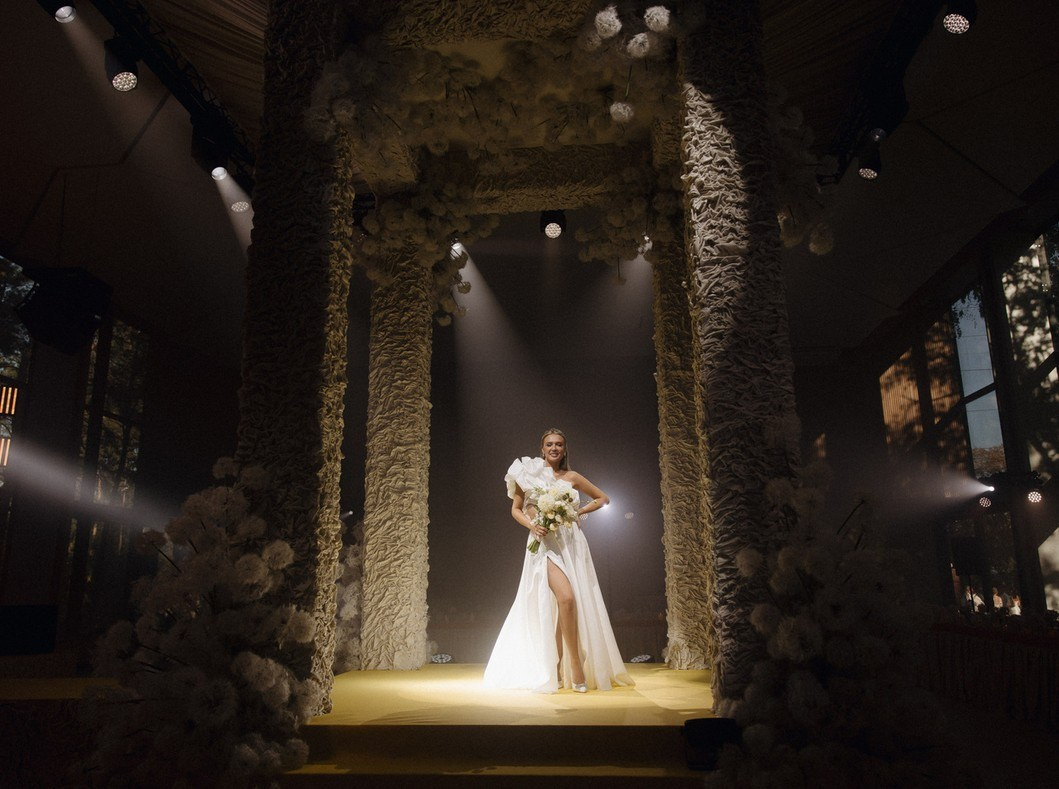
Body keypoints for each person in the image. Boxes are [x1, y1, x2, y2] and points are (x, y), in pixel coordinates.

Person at [483, 428, 634, 693]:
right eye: (550, 444)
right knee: (567, 598)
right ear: (542, 449)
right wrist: (532, 525)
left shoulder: (572, 477)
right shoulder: (528, 473)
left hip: (571, 543)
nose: (554, 448)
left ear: (565, 450)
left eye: (559, 445)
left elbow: (603, 498)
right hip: (544, 544)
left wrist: (578, 512)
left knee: (566, 606)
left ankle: (557, 665)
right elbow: (515, 509)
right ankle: (575, 666)